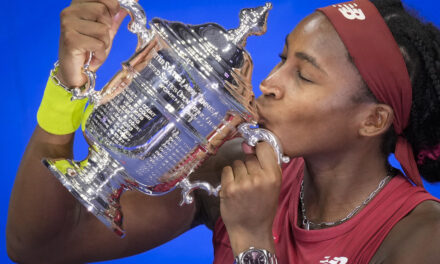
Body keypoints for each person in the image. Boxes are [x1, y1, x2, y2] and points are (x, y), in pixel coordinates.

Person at [6, 0, 440, 263]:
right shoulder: (230, 168)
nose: (269, 83)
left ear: (373, 120)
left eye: (304, 76)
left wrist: (252, 240)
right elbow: (38, 245)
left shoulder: (421, 237)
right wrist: (69, 89)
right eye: (282, 58)